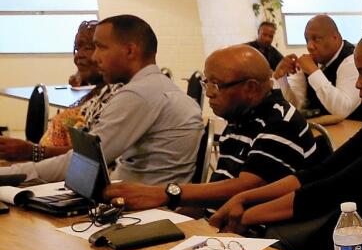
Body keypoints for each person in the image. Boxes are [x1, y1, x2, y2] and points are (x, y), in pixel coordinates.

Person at [210, 19, 362, 250]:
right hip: (358, 235)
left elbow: (334, 189)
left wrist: (246, 214)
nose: (358, 84)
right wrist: (243, 198)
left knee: (271, 238)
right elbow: (320, 173)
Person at [105, 45, 318, 211]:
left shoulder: (279, 122)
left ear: (250, 88)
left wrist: (167, 193)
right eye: (207, 83)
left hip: (259, 239)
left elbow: (246, 187)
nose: (208, 94)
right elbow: (217, 190)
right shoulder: (239, 119)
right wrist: (175, 225)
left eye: (215, 85)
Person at [6, 15, 202, 186]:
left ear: (130, 51)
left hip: (139, 212)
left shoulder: (138, 94)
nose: (95, 57)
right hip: (133, 201)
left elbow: (83, 162)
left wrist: (9, 174)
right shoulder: (156, 87)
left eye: (100, 47)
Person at [0, 19, 123, 163]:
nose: (78, 55)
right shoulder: (98, 93)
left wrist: (33, 152)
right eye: (77, 49)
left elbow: (94, 154)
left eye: (88, 48)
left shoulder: (118, 98)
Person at [274, 14, 362, 121]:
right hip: (321, 130)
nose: (309, 46)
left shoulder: (352, 60)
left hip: (356, 129)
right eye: (307, 40)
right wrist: (282, 79)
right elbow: (294, 107)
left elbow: (342, 110)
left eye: (316, 39)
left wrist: (313, 72)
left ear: (335, 37)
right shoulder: (308, 63)